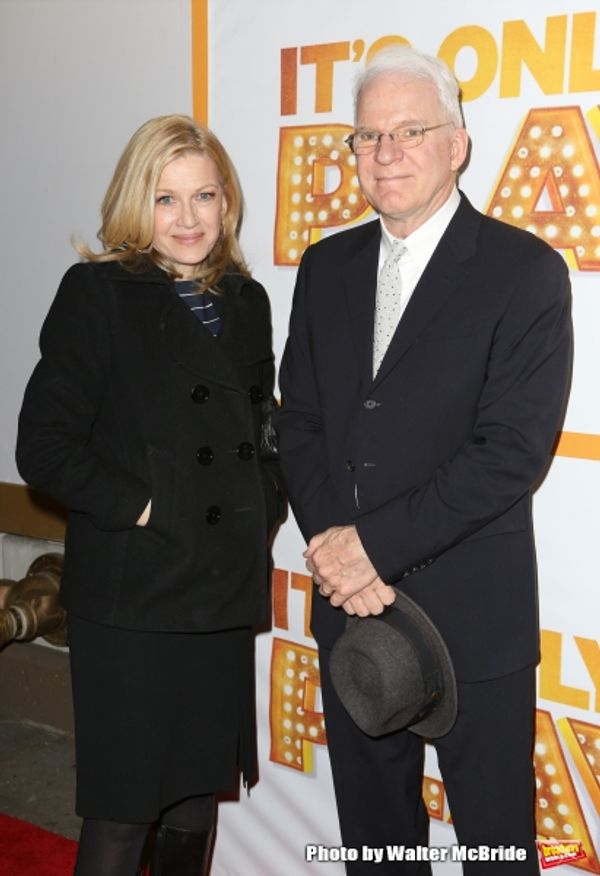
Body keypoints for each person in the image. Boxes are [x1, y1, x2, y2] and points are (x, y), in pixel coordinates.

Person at [276, 46, 572, 873]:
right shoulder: (324, 267)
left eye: (411, 130)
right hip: (351, 613)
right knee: (376, 846)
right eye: (367, 137)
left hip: (473, 622)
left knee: (494, 846)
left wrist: (371, 547)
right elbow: (298, 423)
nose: (386, 153)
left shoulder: (525, 273)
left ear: (459, 143)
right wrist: (341, 553)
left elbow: (509, 453)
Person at [16, 114, 284, 876]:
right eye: (167, 199)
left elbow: (262, 427)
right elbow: (42, 445)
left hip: (217, 592)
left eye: (205, 195)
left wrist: (262, 502)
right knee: (122, 811)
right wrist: (144, 505)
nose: (189, 218)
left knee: (195, 804)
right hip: (133, 595)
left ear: (227, 202)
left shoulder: (245, 300)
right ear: (138, 204)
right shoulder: (99, 292)